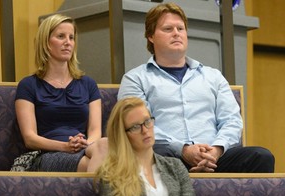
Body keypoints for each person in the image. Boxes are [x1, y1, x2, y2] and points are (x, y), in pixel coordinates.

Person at [117, 3, 275, 173]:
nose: (176, 33)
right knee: (155, 155)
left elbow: (232, 121)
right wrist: (183, 149)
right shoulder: (135, 78)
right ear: (151, 37)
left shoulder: (213, 76)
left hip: (215, 158)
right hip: (167, 156)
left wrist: (216, 150)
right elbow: (139, 126)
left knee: (262, 156)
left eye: (181, 28)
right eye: (168, 29)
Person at [13, 14, 103, 172]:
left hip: (85, 148)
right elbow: (30, 138)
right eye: (61, 36)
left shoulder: (88, 84)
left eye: (71, 37)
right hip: (48, 154)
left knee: (105, 145)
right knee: (97, 167)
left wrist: (84, 144)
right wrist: (65, 146)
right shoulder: (28, 85)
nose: (68, 43)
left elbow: (95, 131)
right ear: (46, 42)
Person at [93, 97, 199, 196]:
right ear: (123, 135)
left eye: (147, 121)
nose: (145, 130)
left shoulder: (175, 167)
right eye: (135, 127)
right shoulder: (111, 175)